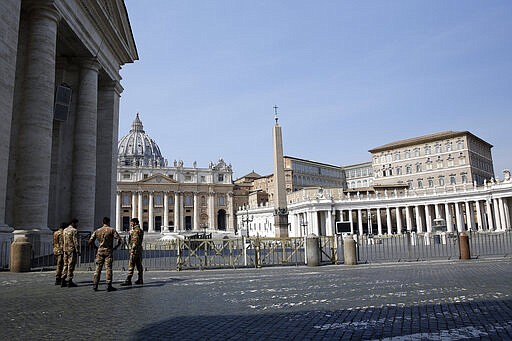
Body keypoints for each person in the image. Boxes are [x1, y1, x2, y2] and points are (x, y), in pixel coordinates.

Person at [88, 217, 122, 292]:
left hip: (99, 251)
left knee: (97, 269)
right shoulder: (111, 230)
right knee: (108, 268)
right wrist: (115, 247)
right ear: (108, 222)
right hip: (108, 251)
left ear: (102, 222)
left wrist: (95, 247)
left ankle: (95, 285)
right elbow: (119, 240)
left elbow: (90, 241)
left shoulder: (97, 231)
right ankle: (109, 285)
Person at [121, 218, 144, 286]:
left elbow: (135, 241)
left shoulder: (135, 231)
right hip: (139, 250)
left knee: (131, 264)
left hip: (135, 250)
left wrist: (132, 250)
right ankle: (140, 279)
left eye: (131, 222)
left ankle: (128, 279)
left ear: (134, 223)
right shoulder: (140, 230)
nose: (130, 224)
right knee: (139, 265)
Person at [61, 218, 80, 287]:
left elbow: (63, 240)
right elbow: (75, 241)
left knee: (65, 264)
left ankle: (63, 279)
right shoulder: (74, 230)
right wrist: (78, 250)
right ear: (73, 223)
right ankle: (70, 280)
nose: (77, 225)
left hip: (65, 249)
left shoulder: (65, 230)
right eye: (76, 223)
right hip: (71, 250)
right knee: (71, 265)